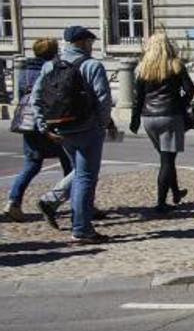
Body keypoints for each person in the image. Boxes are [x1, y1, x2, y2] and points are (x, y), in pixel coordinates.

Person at [31, 25, 114, 244]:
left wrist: (44, 127)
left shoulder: (51, 66)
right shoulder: (92, 65)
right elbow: (103, 100)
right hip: (88, 128)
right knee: (86, 178)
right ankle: (81, 229)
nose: (91, 45)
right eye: (90, 42)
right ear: (83, 42)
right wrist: (102, 125)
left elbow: (36, 98)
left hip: (62, 128)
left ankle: (52, 201)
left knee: (79, 173)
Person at [5, 38, 72, 223]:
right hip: (49, 122)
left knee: (32, 164)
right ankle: (79, 203)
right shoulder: (52, 69)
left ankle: (13, 202)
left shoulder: (25, 71)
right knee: (70, 163)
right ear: (53, 52)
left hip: (28, 123)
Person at [131, 33, 194, 213]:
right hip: (170, 115)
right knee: (167, 160)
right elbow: (190, 89)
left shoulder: (143, 68)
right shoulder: (175, 65)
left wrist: (134, 120)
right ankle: (161, 203)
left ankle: (175, 192)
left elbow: (138, 98)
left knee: (166, 158)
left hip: (148, 117)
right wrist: (180, 103)